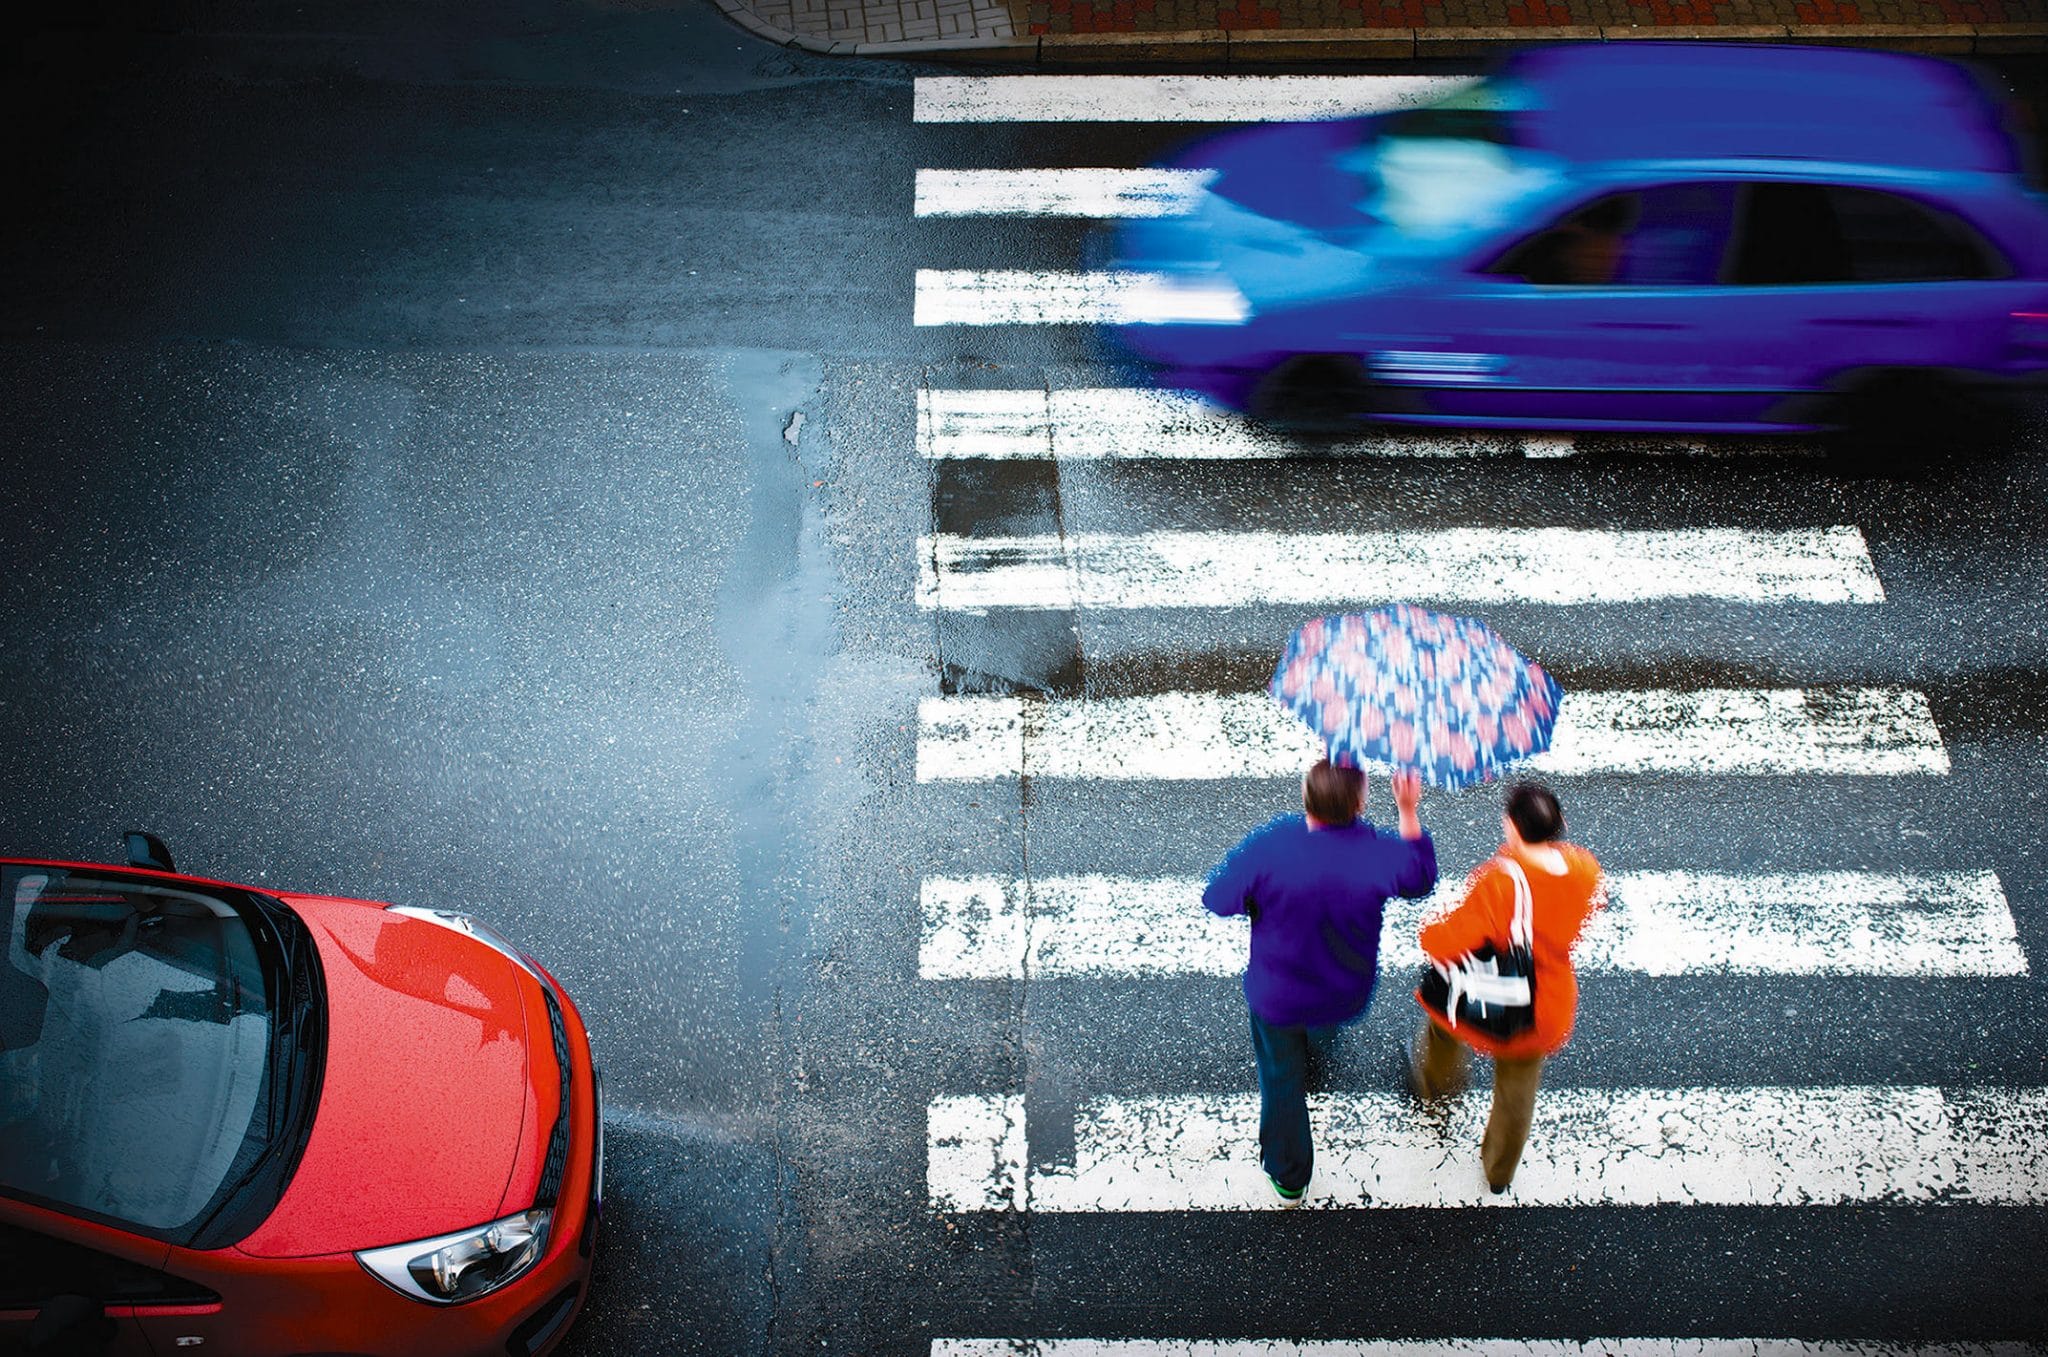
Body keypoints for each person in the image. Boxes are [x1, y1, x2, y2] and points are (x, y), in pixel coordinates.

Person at [1203, 759, 1436, 1206]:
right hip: (1342, 991)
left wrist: (1256, 900)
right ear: (1359, 804)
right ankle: (1317, 1055)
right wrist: (1408, 809)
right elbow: (1420, 879)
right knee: (1321, 1032)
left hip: (1278, 993)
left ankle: (1290, 1177)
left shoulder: (1274, 845)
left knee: (1280, 1076)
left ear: (1306, 798)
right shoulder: (1377, 852)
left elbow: (1218, 897)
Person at [1409, 779, 1604, 1194]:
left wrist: (1429, 929)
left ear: (1512, 825)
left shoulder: (1500, 882)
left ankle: (1436, 1094)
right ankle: (1499, 1172)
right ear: (1560, 823)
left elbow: (1449, 940)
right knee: (1517, 1092)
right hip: (1544, 1005)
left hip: (1488, 998)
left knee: (1442, 1024)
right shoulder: (1585, 869)